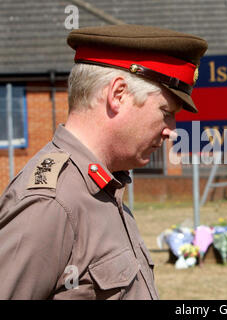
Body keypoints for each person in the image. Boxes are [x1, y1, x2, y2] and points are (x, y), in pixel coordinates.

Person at [0, 25, 207, 299]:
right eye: (166, 111)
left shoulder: (103, 186)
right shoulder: (52, 202)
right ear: (118, 94)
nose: (171, 129)